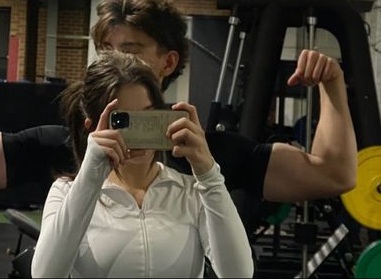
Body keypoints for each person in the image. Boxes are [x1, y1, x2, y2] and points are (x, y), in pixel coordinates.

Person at [0, 0, 357, 202]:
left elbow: (332, 175)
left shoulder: (202, 152)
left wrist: (334, 88)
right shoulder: (66, 145)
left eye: (130, 51)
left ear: (167, 64)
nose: (113, 62)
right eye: (105, 51)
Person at [30, 51, 253, 278]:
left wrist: (208, 175)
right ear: (92, 126)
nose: (138, 132)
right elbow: (45, 275)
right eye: (123, 120)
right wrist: (90, 176)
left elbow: (239, 274)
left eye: (147, 117)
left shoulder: (190, 193)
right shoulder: (67, 193)